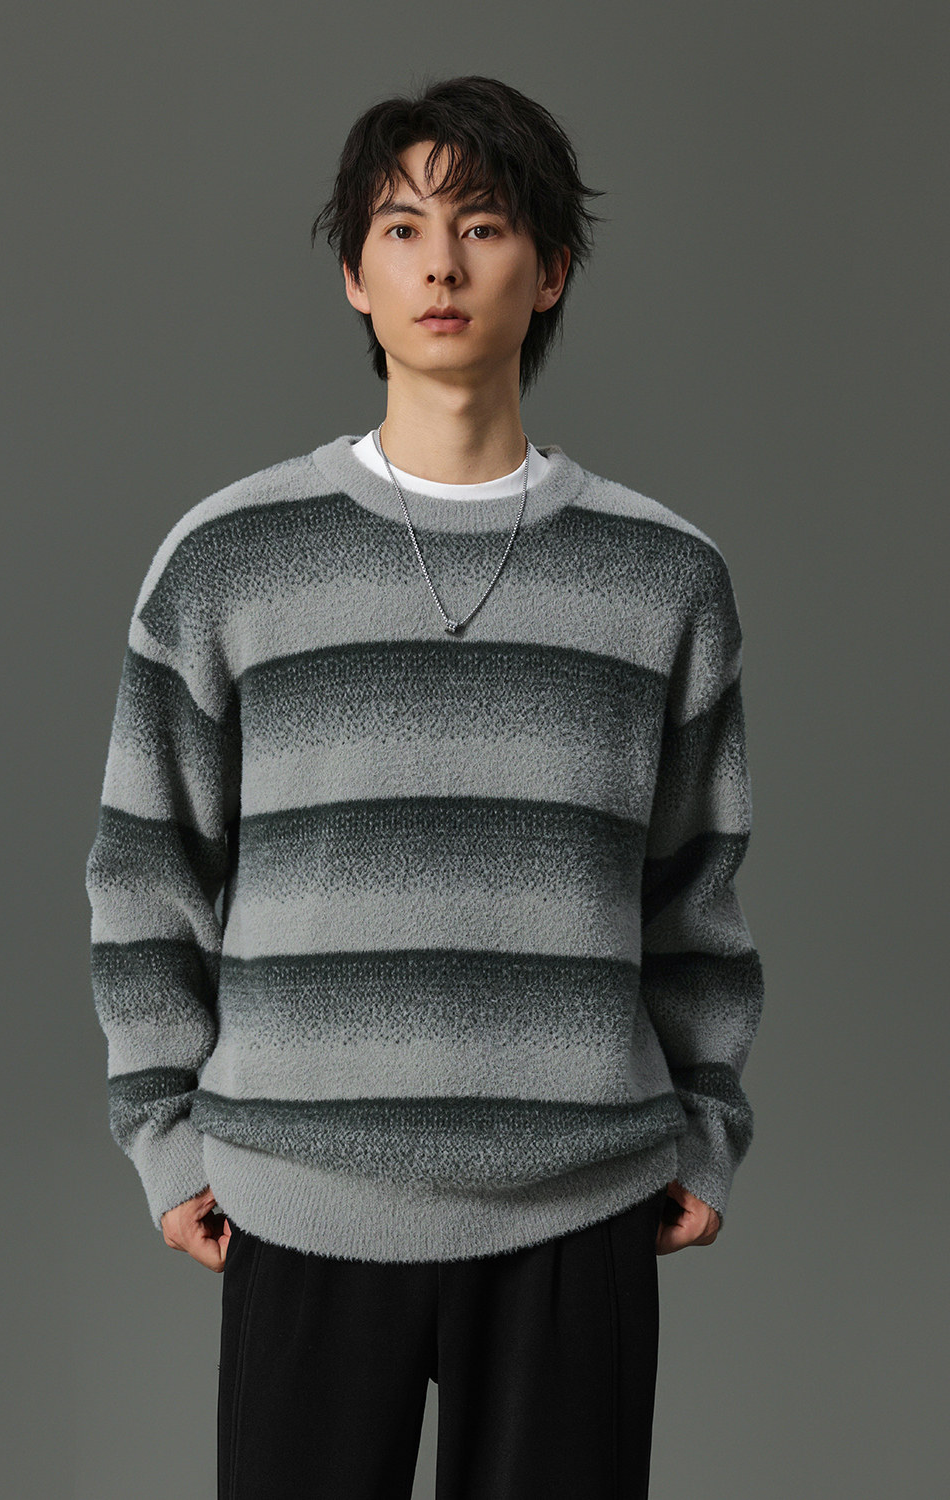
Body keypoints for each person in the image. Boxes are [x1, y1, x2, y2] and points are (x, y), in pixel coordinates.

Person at [85, 73, 764, 1500]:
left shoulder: (663, 576)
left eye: (484, 224)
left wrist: (706, 1125)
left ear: (551, 268)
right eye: (401, 228)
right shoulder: (229, 559)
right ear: (355, 274)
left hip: (581, 1198)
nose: (441, 265)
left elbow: (696, 886)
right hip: (300, 1196)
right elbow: (147, 868)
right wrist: (163, 1135)